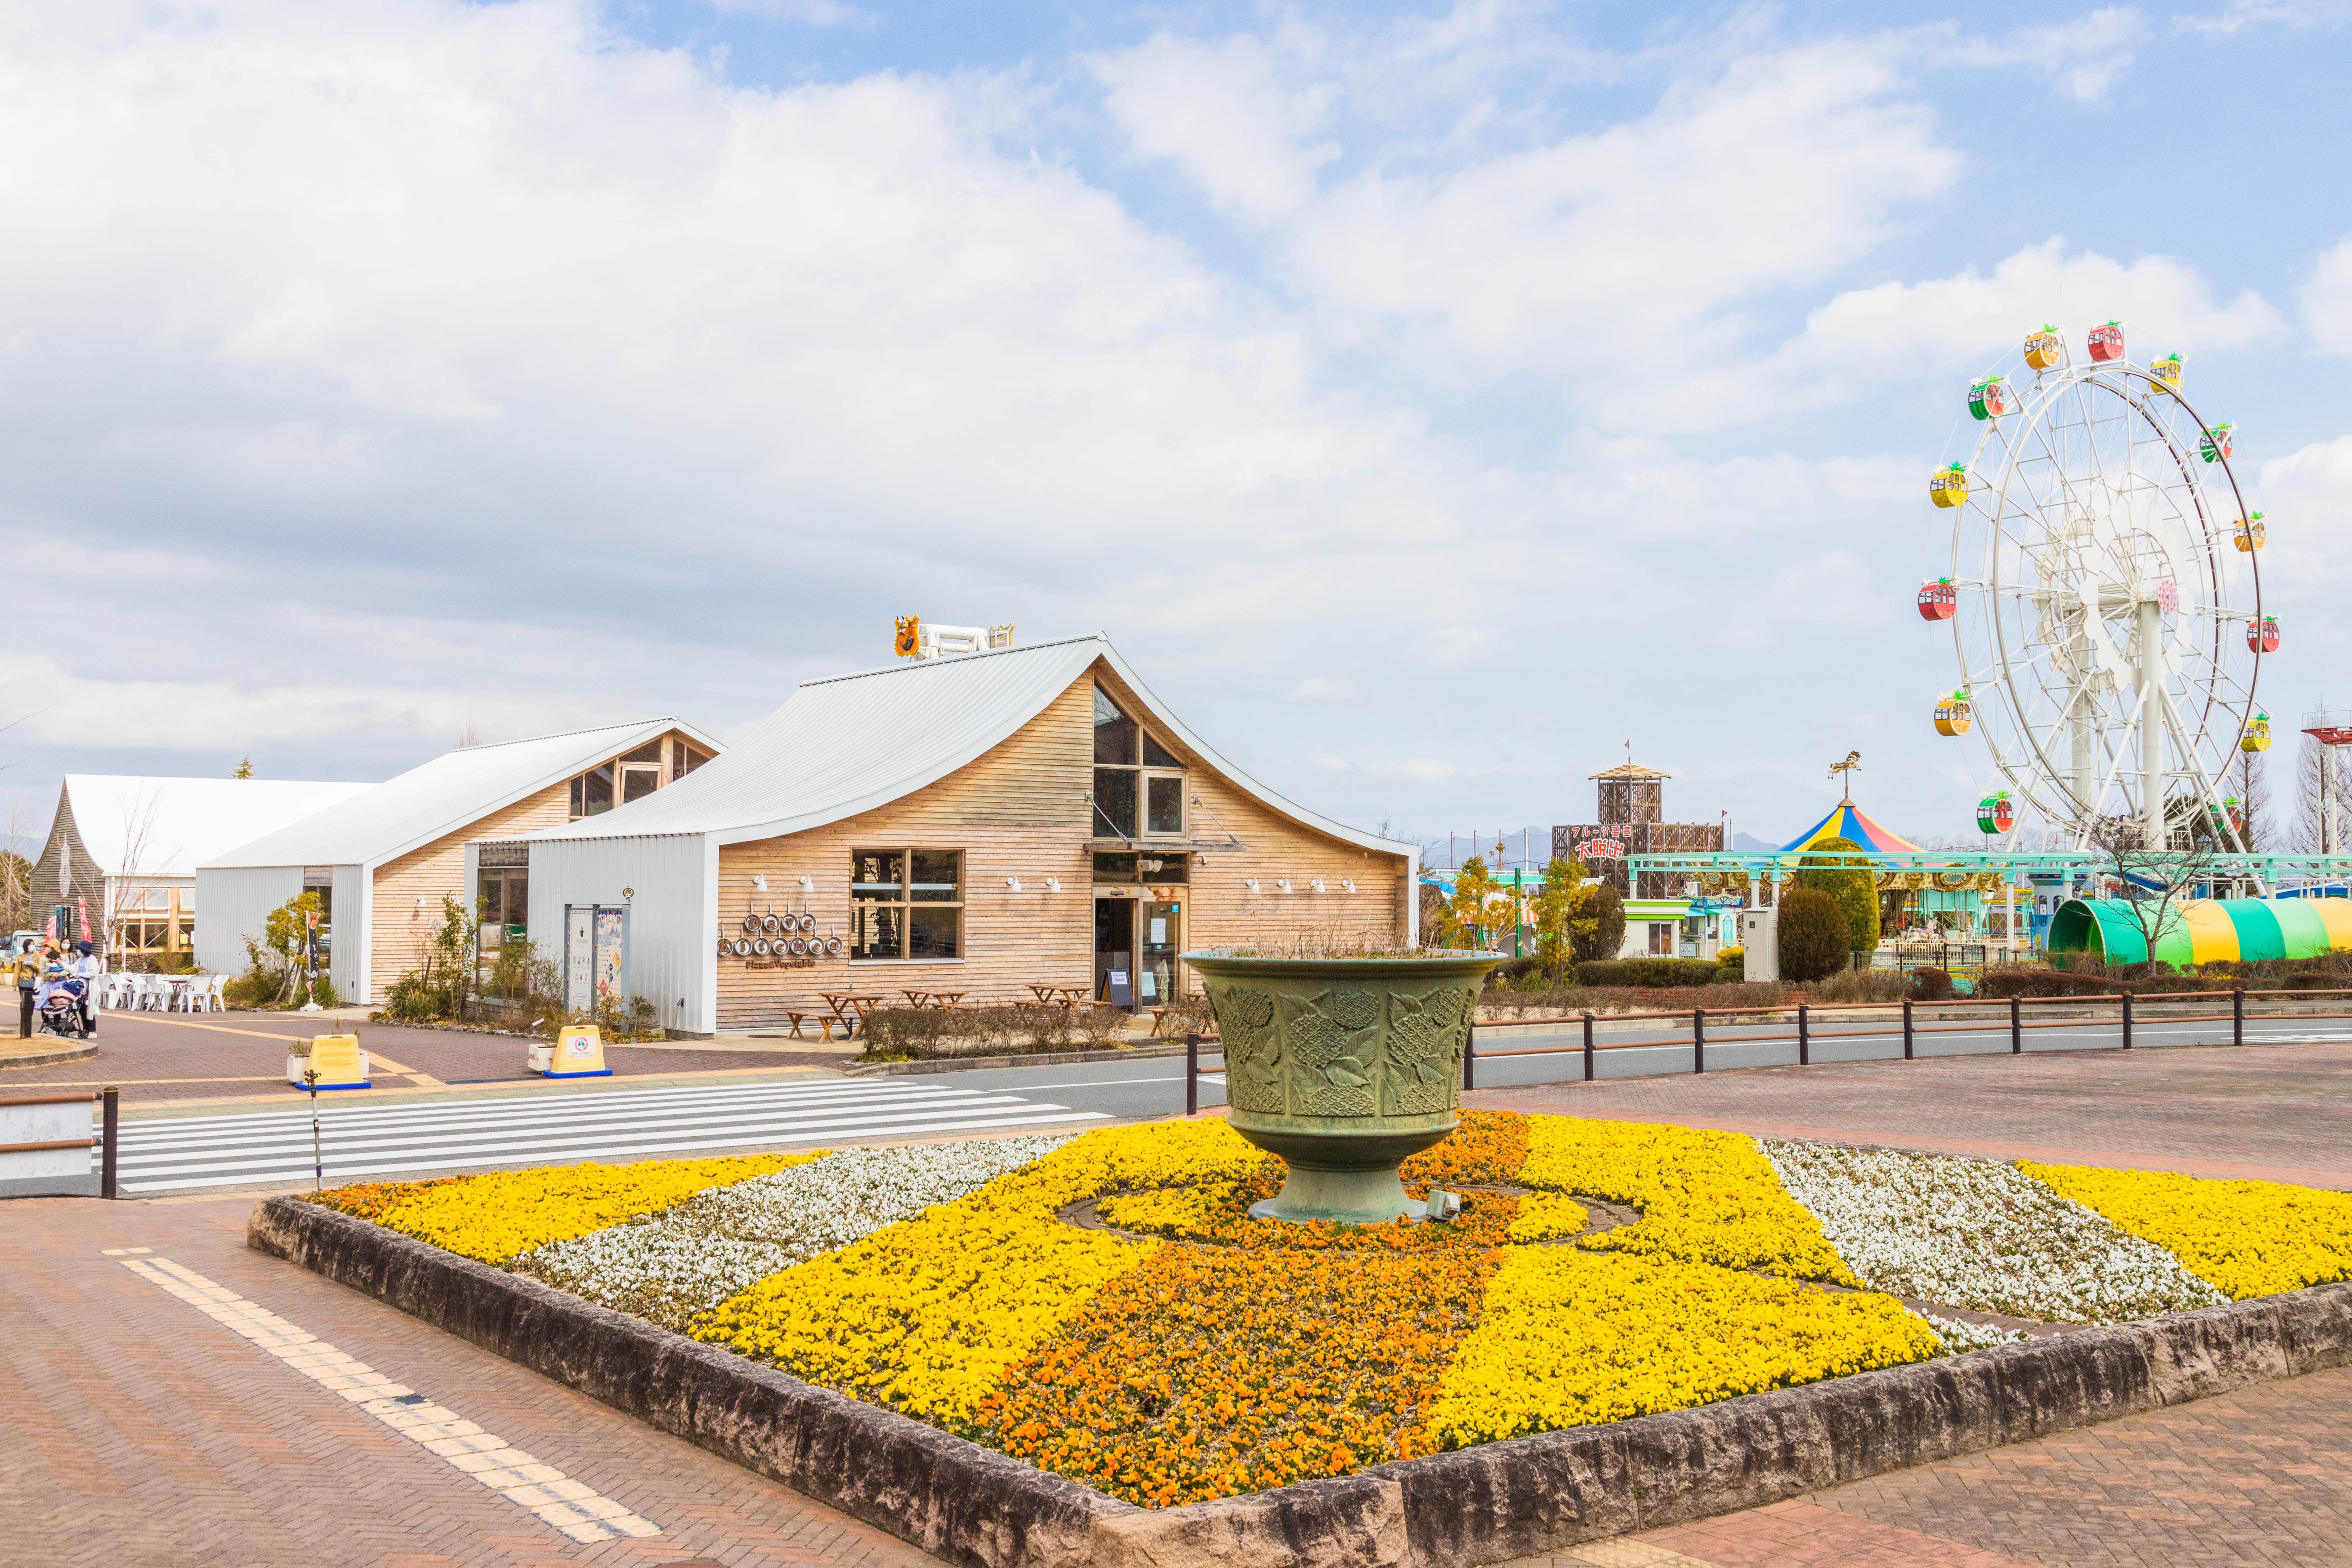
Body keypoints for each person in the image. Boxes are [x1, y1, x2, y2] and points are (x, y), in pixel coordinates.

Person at [72, 940, 102, 1035]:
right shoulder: (81, 960)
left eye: (80, 949)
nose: (78, 951)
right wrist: (61, 964)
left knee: (88, 1010)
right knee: (82, 1010)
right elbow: (72, 968)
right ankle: (85, 1030)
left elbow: (94, 973)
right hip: (81, 988)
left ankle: (92, 1030)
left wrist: (79, 975)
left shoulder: (92, 959)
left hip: (89, 989)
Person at [12, 936, 38, 1039]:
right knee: (24, 1003)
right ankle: (24, 1021)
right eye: (30, 945)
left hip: (34, 983)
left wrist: (32, 964)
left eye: (33, 944)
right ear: (26, 946)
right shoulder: (21, 957)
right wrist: (14, 984)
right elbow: (17, 971)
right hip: (23, 983)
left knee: (32, 1003)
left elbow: (40, 968)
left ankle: (29, 1019)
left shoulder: (38, 956)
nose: (32, 946)